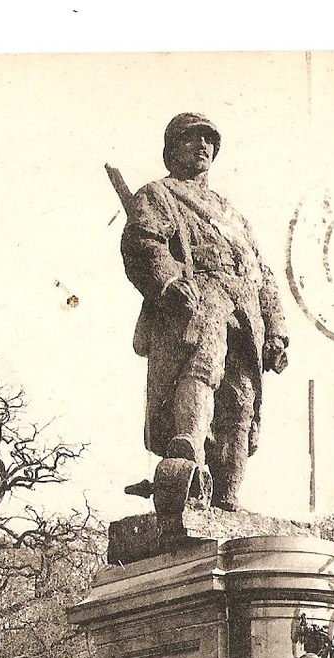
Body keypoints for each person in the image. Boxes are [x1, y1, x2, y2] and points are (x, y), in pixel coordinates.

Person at [121, 112, 289, 511]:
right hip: (199, 299)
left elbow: (262, 272)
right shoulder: (158, 195)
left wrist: (277, 328)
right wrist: (167, 282)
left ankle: (228, 495)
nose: (203, 146)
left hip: (245, 310)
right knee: (202, 368)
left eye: (209, 141)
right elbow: (144, 243)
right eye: (192, 139)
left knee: (241, 398)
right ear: (172, 150)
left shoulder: (232, 216)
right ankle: (189, 456)